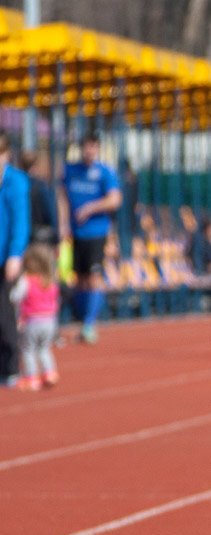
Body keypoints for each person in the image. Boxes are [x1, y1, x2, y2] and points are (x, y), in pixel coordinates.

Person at [57, 131, 121, 345]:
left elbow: (115, 199)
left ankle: (89, 323)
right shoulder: (70, 170)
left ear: (98, 148)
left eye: (93, 146)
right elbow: (62, 197)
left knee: (94, 277)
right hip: (75, 233)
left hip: (96, 231)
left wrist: (90, 208)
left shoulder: (104, 173)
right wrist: (64, 223)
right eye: (86, 146)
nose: (89, 150)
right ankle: (82, 320)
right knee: (80, 278)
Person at [0, 133, 30, 387]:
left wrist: (15, 255)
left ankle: (9, 367)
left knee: (3, 313)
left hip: (5, 257)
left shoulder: (15, 182)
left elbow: (20, 223)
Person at [13, 245, 59, 391]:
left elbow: (15, 296)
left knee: (28, 349)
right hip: (50, 321)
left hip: (32, 320)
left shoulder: (27, 280)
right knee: (44, 348)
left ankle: (31, 378)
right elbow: (56, 301)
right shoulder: (50, 282)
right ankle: (49, 373)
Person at [20, 150, 58, 248]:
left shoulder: (17, 185)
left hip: (22, 237)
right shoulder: (41, 186)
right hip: (40, 238)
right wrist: (56, 240)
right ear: (36, 166)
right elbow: (51, 212)